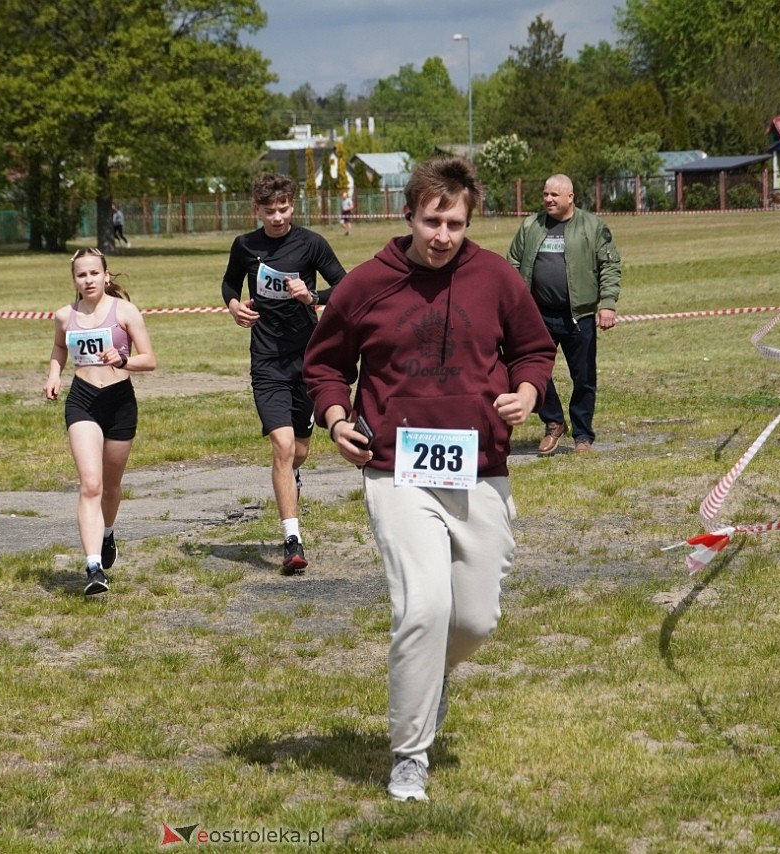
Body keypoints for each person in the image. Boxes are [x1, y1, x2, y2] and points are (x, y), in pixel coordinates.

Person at [303, 155, 555, 803]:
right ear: (408, 214)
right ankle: (409, 755)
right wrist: (335, 419)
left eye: (456, 224)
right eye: (433, 221)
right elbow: (326, 365)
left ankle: (429, 678)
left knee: (473, 620)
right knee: (423, 607)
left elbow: (533, 348)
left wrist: (526, 393)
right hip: (395, 468)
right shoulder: (365, 285)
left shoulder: (497, 278)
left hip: (481, 467)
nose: (443, 235)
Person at [221, 172, 346, 575]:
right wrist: (234, 305)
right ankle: (292, 540)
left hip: (307, 359)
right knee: (281, 445)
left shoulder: (310, 244)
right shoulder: (245, 246)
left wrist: (312, 297)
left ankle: (292, 477)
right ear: (256, 209)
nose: (277, 217)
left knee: (300, 450)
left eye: (284, 209)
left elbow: (344, 287)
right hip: (267, 360)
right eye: (269, 210)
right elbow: (229, 283)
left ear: (293, 205)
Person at [44, 248, 156, 595]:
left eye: (94, 273)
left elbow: (149, 359)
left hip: (120, 402)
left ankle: (107, 533)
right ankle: (93, 567)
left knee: (110, 487)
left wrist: (122, 361)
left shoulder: (124, 312)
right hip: (83, 400)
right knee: (90, 484)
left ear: (106, 276)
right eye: (81, 275)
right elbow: (59, 348)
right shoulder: (65, 316)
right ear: (74, 280)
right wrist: (53, 374)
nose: (88, 280)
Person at [506, 174, 622, 455]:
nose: (548, 199)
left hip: (578, 316)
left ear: (570, 197)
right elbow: (513, 263)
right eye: (545, 194)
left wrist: (607, 302)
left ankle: (583, 435)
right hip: (537, 315)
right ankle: (554, 422)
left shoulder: (592, 226)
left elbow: (610, 265)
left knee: (583, 378)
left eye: (554, 195)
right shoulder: (531, 225)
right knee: (533, 370)